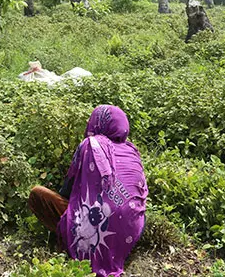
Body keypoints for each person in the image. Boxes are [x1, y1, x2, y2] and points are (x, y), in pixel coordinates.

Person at [28, 105, 148, 276]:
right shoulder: (132, 151)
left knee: (38, 194)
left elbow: (67, 189)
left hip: (96, 228)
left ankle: (70, 243)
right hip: (132, 232)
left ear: (97, 123)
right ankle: (117, 249)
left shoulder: (91, 145)